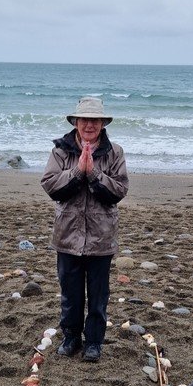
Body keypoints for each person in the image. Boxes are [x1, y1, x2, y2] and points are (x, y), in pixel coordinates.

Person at [41, 97, 129, 362]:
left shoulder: (115, 152)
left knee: (99, 295)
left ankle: (93, 343)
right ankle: (70, 338)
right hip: (67, 237)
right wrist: (78, 171)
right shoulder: (60, 151)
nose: (89, 124)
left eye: (95, 120)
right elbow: (51, 186)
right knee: (71, 293)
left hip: (101, 238)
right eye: (84, 119)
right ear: (75, 122)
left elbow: (119, 190)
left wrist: (93, 175)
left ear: (102, 124)